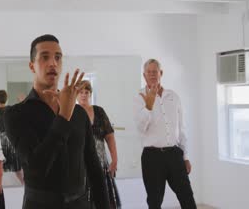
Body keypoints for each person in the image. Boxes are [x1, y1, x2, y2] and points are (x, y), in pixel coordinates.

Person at [4, 34, 109, 209]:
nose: (53, 63)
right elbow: (37, 168)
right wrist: (64, 116)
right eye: (45, 57)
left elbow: (94, 169)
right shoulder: (16, 114)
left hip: (80, 204)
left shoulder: (80, 113)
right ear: (32, 66)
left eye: (58, 58)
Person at [134, 59, 196, 209]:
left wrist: (185, 157)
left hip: (174, 154)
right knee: (154, 201)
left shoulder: (173, 96)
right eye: (149, 72)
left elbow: (181, 129)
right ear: (144, 75)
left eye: (155, 71)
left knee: (187, 197)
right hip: (152, 156)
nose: (152, 75)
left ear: (161, 73)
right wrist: (148, 106)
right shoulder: (139, 97)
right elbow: (140, 128)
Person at [77, 80, 121, 208]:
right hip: (81, 167)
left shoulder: (99, 111)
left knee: (106, 202)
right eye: (81, 92)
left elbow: (110, 137)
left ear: (90, 94)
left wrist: (114, 160)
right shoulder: (73, 112)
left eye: (87, 92)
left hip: (101, 165)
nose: (84, 95)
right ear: (76, 94)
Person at [0, 90, 24, 185]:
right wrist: (22, 102)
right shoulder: (11, 109)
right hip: (11, 142)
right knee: (17, 169)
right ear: (6, 98)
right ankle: (24, 184)